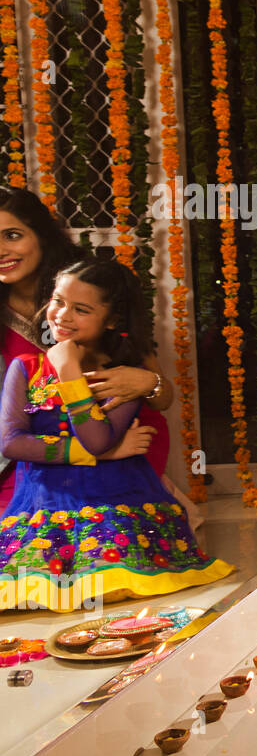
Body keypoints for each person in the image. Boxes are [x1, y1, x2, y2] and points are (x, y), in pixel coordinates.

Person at [0, 259, 232, 612]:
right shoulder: (26, 368)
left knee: (112, 587)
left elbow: (97, 438)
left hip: (112, 502)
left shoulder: (124, 376)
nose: (62, 315)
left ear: (111, 320)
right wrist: (101, 454)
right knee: (35, 593)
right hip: (41, 504)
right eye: (58, 300)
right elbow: (11, 442)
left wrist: (68, 373)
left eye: (81, 309)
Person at [0, 187, 175, 512]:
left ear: (41, 234)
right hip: (41, 455)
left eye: (11, 235)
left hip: (123, 437)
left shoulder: (88, 285)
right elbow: (10, 435)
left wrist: (146, 382)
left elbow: (163, 398)